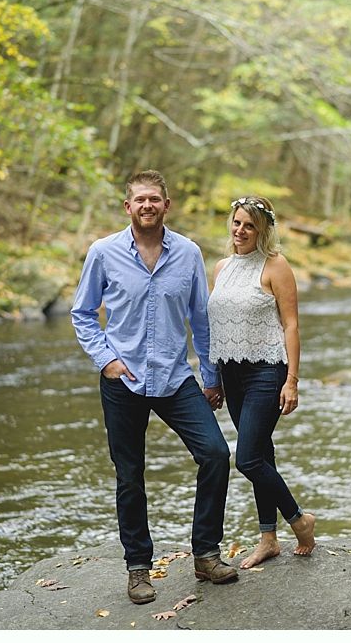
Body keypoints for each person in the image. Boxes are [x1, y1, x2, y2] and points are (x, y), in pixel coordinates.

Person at [71, 169, 237, 606]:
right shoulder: (103, 253)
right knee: (129, 476)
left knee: (216, 454)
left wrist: (212, 376)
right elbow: (82, 313)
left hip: (175, 377)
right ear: (128, 207)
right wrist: (106, 360)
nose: (147, 206)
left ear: (167, 205)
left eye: (154, 200)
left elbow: (201, 320)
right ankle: (138, 568)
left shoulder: (188, 254)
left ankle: (205, 554)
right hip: (122, 380)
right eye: (139, 199)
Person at [207, 196, 316, 569]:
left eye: (249, 225)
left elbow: (291, 325)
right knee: (262, 453)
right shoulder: (221, 268)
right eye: (237, 223)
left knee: (248, 458)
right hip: (231, 374)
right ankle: (268, 537)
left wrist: (292, 380)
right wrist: (215, 378)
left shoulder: (276, 266)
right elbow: (217, 324)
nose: (240, 231)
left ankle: (300, 520)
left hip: (267, 371)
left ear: (263, 230)